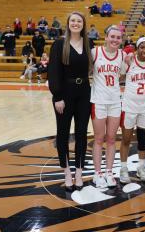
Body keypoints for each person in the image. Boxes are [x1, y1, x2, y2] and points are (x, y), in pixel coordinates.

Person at [48, 12, 92, 191]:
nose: (76, 23)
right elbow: (53, 71)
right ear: (68, 23)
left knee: (82, 133)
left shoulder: (89, 44)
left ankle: (79, 173)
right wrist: (57, 96)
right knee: (63, 134)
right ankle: (67, 172)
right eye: (73, 20)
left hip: (84, 93)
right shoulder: (59, 44)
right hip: (64, 93)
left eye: (79, 21)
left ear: (83, 24)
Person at [90, 26, 124, 188]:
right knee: (98, 138)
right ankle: (97, 173)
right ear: (106, 37)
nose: (115, 40)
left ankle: (109, 172)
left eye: (118, 37)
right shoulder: (94, 53)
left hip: (115, 102)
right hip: (98, 101)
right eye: (112, 36)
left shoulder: (123, 56)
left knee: (111, 139)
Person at [120, 37, 145, 184]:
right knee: (126, 139)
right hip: (129, 106)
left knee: (143, 140)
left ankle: (141, 168)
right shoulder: (129, 61)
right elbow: (119, 75)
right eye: (142, 47)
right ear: (137, 48)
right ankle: (123, 169)